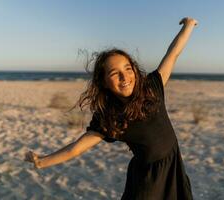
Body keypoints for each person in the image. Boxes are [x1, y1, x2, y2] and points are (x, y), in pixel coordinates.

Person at [25, 17, 198, 199]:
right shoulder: (111, 117)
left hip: (174, 167)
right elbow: (76, 148)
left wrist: (188, 26)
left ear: (134, 70)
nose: (124, 77)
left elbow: (173, 53)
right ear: (104, 82)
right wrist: (42, 161)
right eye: (115, 73)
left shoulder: (152, 88)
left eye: (128, 69)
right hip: (148, 180)